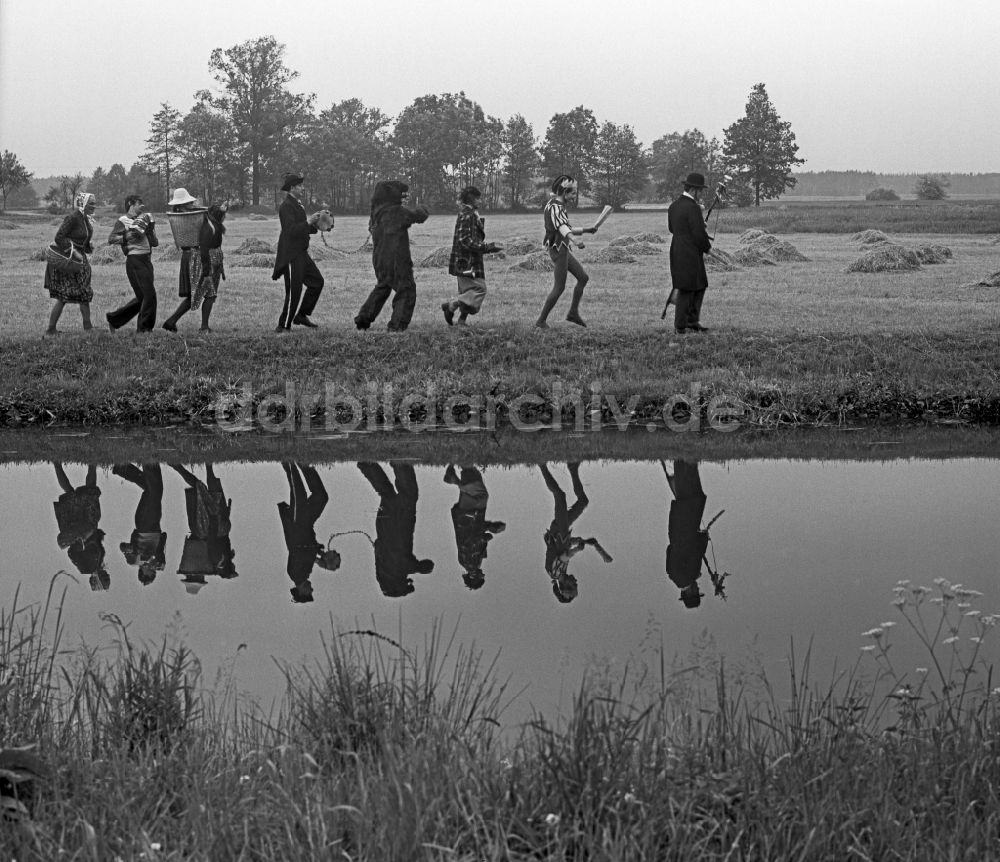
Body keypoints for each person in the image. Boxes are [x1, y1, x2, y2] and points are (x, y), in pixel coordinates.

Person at [354, 180, 429, 332]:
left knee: (383, 286)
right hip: (397, 259)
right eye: (401, 194)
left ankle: (363, 319)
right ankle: (397, 325)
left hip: (379, 258)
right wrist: (421, 206)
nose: (402, 197)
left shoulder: (376, 213)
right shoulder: (396, 211)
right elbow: (419, 216)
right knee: (406, 289)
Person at [539, 462, 612, 602]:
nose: (576, 581)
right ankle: (572, 468)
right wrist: (579, 541)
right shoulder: (562, 571)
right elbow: (564, 549)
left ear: (565, 586)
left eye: (574, 584)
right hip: (563, 532)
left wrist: (577, 549)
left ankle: (541, 465)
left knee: (560, 496)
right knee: (583, 502)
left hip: (559, 530)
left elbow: (565, 555)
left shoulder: (554, 573)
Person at [357, 462, 433, 597]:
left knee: (409, 495)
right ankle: (366, 463)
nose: (408, 582)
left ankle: (400, 463)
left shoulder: (396, 571)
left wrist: (420, 569)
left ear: (398, 586)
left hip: (398, 524)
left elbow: (418, 565)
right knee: (387, 493)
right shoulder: (383, 569)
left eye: (406, 586)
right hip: (384, 524)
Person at [663, 460, 729, 607]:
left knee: (693, 494)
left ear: (690, 593)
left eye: (696, 591)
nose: (698, 588)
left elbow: (696, 552)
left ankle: (686, 459)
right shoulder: (672, 575)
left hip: (687, 526)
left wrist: (703, 538)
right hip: (675, 528)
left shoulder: (690, 575)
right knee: (685, 495)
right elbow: (669, 550)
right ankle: (681, 460)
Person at [536, 175, 598, 329]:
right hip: (558, 250)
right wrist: (575, 241)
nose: (574, 196)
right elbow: (562, 229)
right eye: (572, 193)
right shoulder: (556, 207)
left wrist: (587, 230)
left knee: (583, 278)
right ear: (564, 192)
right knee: (559, 287)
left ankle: (573, 313)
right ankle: (540, 321)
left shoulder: (555, 204)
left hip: (562, 249)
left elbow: (565, 227)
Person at [278, 462, 340, 603]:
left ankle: (287, 459)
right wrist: (319, 553)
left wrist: (319, 560)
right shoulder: (305, 573)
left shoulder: (294, 574)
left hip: (297, 523)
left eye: (308, 593)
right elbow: (308, 551)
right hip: (306, 524)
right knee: (321, 497)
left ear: (301, 592)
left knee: (297, 490)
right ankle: (304, 462)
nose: (311, 590)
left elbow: (301, 552)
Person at [271, 173, 326, 332]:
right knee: (294, 291)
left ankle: (301, 315)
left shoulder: (298, 204)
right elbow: (290, 231)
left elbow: (302, 227)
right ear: (293, 187)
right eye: (300, 186)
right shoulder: (286, 206)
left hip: (301, 253)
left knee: (317, 282)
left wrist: (317, 226)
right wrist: (308, 221)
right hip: (290, 255)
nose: (303, 188)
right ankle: (283, 326)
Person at [163, 201, 228, 333]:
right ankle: (204, 327)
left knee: (200, 294)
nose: (224, 217)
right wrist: (206, 269)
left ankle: (171, 321)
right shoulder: (209, 226)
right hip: (207, 263)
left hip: (212, 262)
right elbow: (204, 249)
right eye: (222, 214)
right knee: (209, 294)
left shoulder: (212, 223)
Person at [441, 186, 502, 326]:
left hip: (471, 259)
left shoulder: (472, 213)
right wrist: (488, 248)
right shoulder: (467, 215)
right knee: (479, 289)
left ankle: (461, 321)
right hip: (466, 262)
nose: (480, 200)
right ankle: (451, 305)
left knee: (468, 291)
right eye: (478, 198)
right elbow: (465, 240)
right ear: (472, 198)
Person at [171, 463, 237, 585]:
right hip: (216, 524)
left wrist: (213, 517)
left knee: (201, 488)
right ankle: (207, 466)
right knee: (206, 489)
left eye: (233, 568)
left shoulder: (219, 560)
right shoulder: (221, 561)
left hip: (212, 524)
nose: (234, 566)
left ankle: (182, 467)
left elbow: (212, 541)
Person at [443, 464, 506, 590]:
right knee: (476, 492)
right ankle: (461, 471)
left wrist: (486, 536)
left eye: (481, 578)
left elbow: (470, 540)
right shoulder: (469, 563)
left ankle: (459, 471)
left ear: (475, 578)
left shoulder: (471, 563)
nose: (483, 575)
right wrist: (491, 526)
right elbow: (475, 534)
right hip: (468, 518)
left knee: (478, 493)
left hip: (469, 517)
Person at [45, 192, 97, 335]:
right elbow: (59, 237)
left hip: (80, 260)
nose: (94, 206)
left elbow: (81, 239)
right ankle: (51, 329)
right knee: (65, 296)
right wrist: (73, 251)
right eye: (91, 203)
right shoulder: (73, 217)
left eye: (94, 203)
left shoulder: (85, 218)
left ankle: (88, 327)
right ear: (83, 203)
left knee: (84, 292)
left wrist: (87, 246)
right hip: (69, 261)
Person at [667, 172, 712, 334]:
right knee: (687, 287)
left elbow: (672, 228)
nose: (701, 195)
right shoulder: (693, 208)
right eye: (700, 191)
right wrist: (707, 248)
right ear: (694, 190)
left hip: (677, 249)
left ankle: (692, 321)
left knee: (699, 284)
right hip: (690, 251)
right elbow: (698, 233)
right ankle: (681, 325)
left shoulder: (674, 206)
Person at [52, 462, 109, 591]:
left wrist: (80, 539)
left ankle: (90, 464)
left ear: (97, 580)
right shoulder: (96, 563)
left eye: (105, 579)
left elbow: (72, 552)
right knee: (76, 492)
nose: (107, 575)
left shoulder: (86, 568)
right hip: (83, 528)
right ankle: (60, 464)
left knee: (82, 493)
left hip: (81, 528)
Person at [106, 194, 159, 332]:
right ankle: (144, 330)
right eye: (138, 203)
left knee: (143, 297)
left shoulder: (144, 220)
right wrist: (127, 236)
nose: (141, 206)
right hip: (135, 261)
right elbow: (111, 239)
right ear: (130, 204)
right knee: (149, 295)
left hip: (147, 260)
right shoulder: (123, 220)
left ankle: (114, 319)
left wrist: (150, 231)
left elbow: (155, 243)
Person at [113, 463, 166, 585]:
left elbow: (123, 547)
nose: (153, 570)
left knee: (154, 491)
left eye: (150, 572)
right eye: (154, 572)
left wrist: (139, 552)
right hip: (155, 524)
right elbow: (164, 536)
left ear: (142, 571)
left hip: (144, 524)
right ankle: (122, 468)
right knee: (152, 489)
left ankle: (148, 462)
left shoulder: (134, 562)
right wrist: (159, 555)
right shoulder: (157, 560)